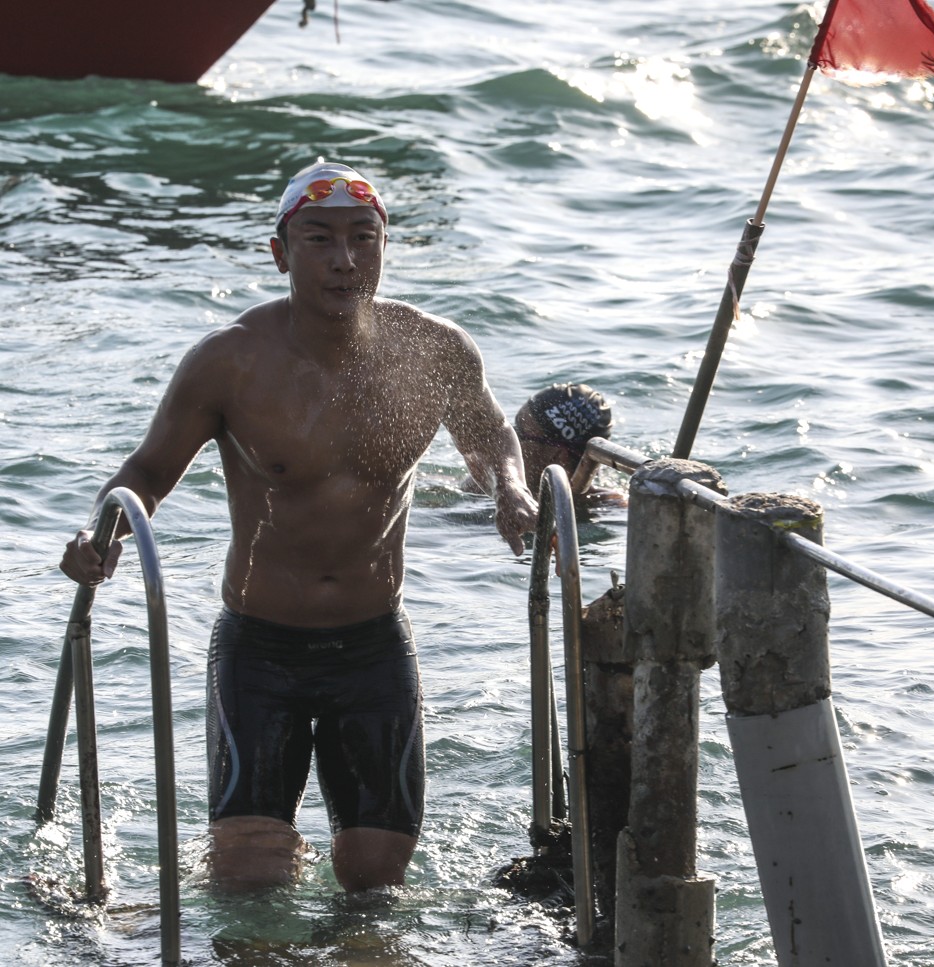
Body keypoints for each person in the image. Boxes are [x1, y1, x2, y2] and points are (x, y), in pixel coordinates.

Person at [59, 160, 538, 894]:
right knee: (250, 877)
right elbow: (148, 474)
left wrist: (511, 489)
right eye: (320, 239)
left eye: (362, 238)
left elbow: (490, 433)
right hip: (261, 647)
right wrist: (104, 536)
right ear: (281, 252)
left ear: (384, 245)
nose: (345, 260)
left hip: (374, 644)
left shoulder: (432, 350)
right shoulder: (232, 361)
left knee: (377, 882)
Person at [462, 382, 622, 504]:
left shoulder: (612, 509)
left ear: (559, 456)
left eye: (519, 433)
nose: (503, 440)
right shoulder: (485, 486)